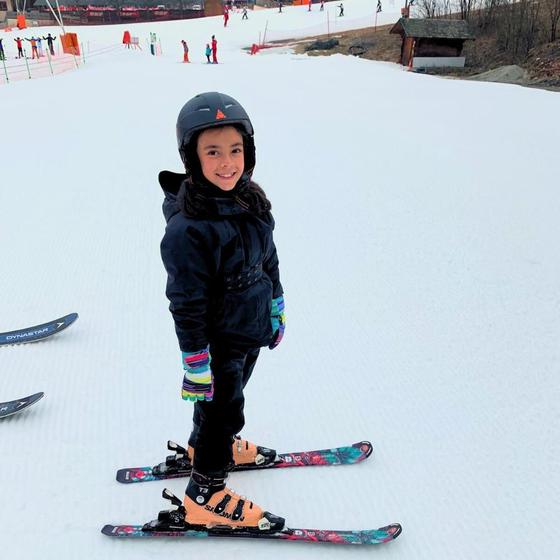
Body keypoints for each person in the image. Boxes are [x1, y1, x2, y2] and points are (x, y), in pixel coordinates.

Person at [158, 91, 286, 532]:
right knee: (222, 409)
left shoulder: (250, 200)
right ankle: (205, 491)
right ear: (192, 158)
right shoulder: (187, 230)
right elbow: (186, 303)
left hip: (248, 330)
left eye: (235, 150)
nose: (227, 162)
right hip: (216, 339)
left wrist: (276, 302)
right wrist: (195, 360)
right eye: (213, 152)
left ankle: (207, 446)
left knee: (221, 406)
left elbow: (268, 258)